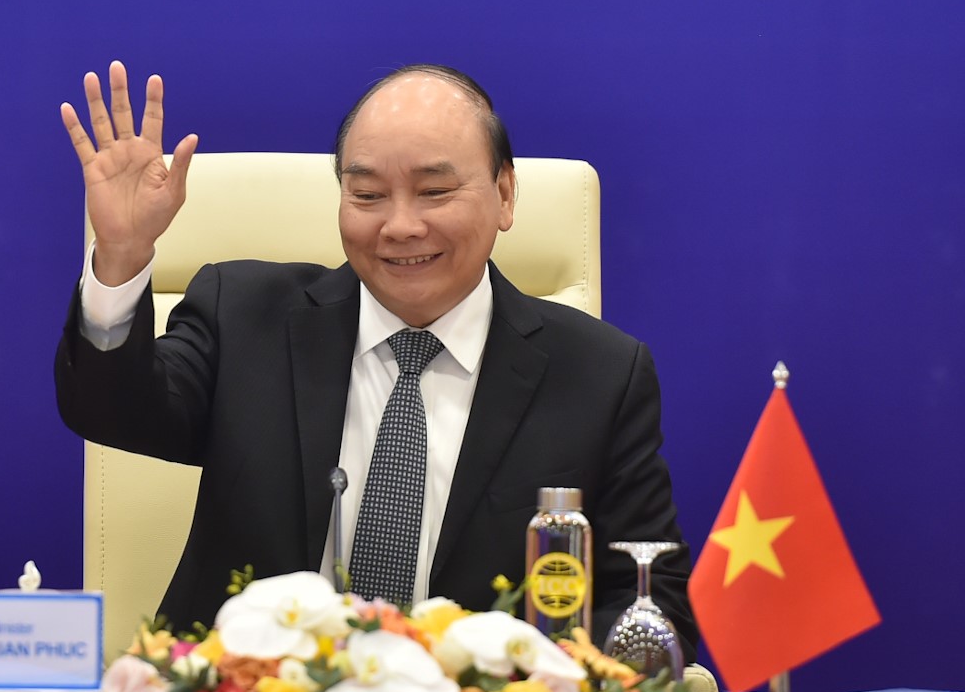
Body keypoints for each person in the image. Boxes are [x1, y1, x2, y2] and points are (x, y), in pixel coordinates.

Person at [55, 61, 698, 657]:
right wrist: (121, 256)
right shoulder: (243, 315)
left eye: (434, 191)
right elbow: (111, 410)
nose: (400, 226)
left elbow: (650, 605)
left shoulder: (600, 376)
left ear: (505, 194)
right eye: (367, 195)